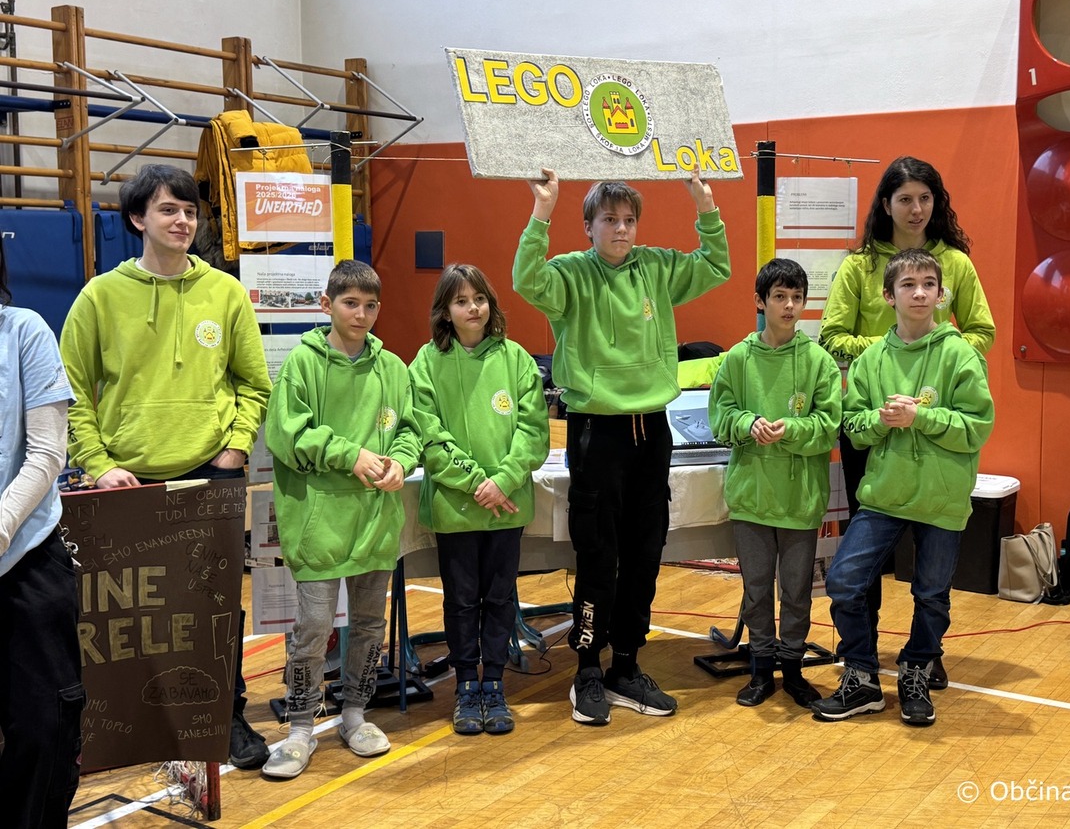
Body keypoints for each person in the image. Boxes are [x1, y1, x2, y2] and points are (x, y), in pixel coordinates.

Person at [59, 163, 272, 769]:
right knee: (131, 617)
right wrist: (98, 463)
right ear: (137, 219)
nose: (183, 221)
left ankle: (225, 716)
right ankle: (135, 725)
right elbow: (69, 392)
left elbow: (254, 383)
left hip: (211, 474)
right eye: (168, 210)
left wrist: (235, 448)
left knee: (215, 607)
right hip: (126, 481)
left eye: (190, 211)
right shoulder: (100, 296)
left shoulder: (225, 292)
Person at [513, 167, 730, 725]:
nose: (621, 229)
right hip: (597, 430)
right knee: (598, 554)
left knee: (645, 552)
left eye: (629, 220)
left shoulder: (656, 267)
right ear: (588, 226)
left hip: (652, 430)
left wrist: (706, 206)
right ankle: (588, 668)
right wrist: (541, 212)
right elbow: (526, 280)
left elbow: (716, 265)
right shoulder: (570, 274)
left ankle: (626, 665)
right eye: (609, 219)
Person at [818, 155, 995, 689]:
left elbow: (982, 331)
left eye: (925, 198)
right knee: (862, 557)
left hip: (935, 425)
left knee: (933, 576)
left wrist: (930, 355)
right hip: (877, 418)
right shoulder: (860, 265)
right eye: (905, 199)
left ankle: (922, 658)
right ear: (886, 204)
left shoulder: (955, 263)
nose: (916, 209)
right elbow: (831, 336)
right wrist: (894, 350)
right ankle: (862, 659)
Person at [262, 259, 421, 779]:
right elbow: (287, 435)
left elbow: (411, 429)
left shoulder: (393, 368)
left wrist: (401, 462)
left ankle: (356, 713)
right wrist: (349, 455)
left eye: (371, 305)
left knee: (370, 624)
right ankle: (299, 728)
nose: (361, 314)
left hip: (375, 520)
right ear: (326, 304)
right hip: (319, 521)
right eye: (351, 303)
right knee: (312, 629)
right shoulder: (302, 364)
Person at [409, 264, 549, 736]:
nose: (473, 308)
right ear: (445, 311)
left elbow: (533, 432)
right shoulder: (426, 363)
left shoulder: (517, 359)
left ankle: (495, 684)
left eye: (480, 298)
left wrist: (502, 481)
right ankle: (466, 684)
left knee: (500, 597)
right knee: (462, 600)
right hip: (456, 508)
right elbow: (428, 436)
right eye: (461, 301)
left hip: (506, 506)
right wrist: (476, 483)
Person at [708, 258, 841, 708]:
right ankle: (762, 669)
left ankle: (794, 669)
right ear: (760, 302)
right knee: (757, 589)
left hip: (800, 498)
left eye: (796, 297)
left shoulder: (819, 362)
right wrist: (748, 424)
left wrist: (792, 430)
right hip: (752, 496)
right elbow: (720, 416)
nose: (789, 306)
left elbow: (828, 425)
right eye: (779, 296)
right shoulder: (737, 359)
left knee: (797, 592)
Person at [0, 234, 83, 828]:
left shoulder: (24, 330)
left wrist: (2, 527)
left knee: (44, 724)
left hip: (26, 558)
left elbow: (47, 452)